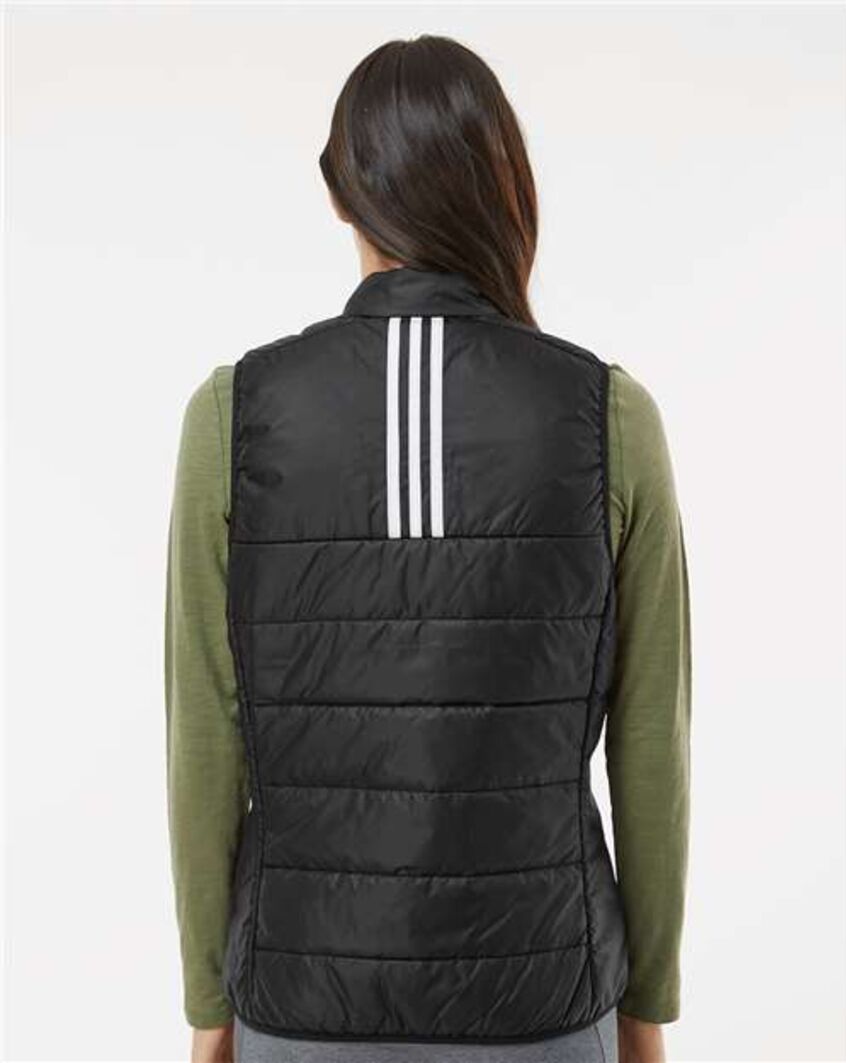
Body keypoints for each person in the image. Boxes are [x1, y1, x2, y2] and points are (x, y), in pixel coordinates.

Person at [165, 34, 691, 1063]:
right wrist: (648, 1009)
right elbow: (651, 746)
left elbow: (203, 744)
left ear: (339, 193)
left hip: (297, 1004)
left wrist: (206, 1009)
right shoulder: (606, 415)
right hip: (546, 998)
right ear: (505, 188)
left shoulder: (234, 417)